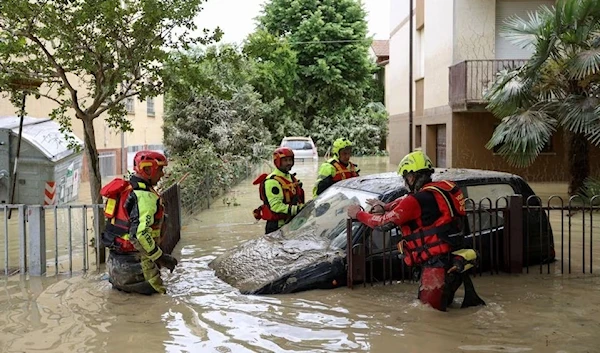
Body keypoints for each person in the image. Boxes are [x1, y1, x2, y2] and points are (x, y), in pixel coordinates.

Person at [347, 150, 485, 311]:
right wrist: (384, 205)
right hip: (453, 259)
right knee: (443, 308)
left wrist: (358, 214)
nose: (405, 182)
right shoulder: (438, 191)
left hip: (436, 265)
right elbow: (404, 202)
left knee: (428, 314)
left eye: (405, 178)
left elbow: (383, 223)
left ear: (411, 177)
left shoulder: (417, 200)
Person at [101, 150, 178, 295]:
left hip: (114, 266)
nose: (163, 174)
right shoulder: (145, 197)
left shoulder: (125, 190)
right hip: (137, 267)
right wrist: (161, 257)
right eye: (160, 169)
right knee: (160, 303)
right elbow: (140, 234)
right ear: (148, 169)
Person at [253, 147, 305, 234]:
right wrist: (298, 209)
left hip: (290, 223)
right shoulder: (272, 181)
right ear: (278, 162)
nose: (289, 163)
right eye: (285, 160)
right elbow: (276, 206)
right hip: (277, 226)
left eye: (290, 160)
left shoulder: (291, 178)